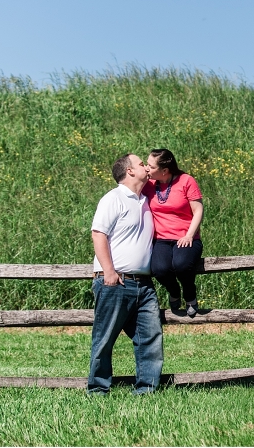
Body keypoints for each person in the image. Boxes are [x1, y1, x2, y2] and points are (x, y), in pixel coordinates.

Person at [87, 153, 163, 395]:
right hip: (115, 281)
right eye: (142, 164)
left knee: (150, 337)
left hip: (144, 283)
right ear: (129, 171)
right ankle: (98, 389)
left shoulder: (145, 200)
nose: (147, 167)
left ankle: (146, 390)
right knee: (105, 338)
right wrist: (108, 272)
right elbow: (99, 234)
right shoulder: (113, 198)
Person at [142, 148, 204, 318]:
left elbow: (198, 210)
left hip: (186, 236)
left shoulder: (186, 181)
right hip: (161, 238)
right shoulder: (148, 184)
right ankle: (174, 291)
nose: (147, 168)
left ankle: (190, 296)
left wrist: (189, 235)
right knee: (159, 269)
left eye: (150, 166)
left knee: (182, 265)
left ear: (164, 171)